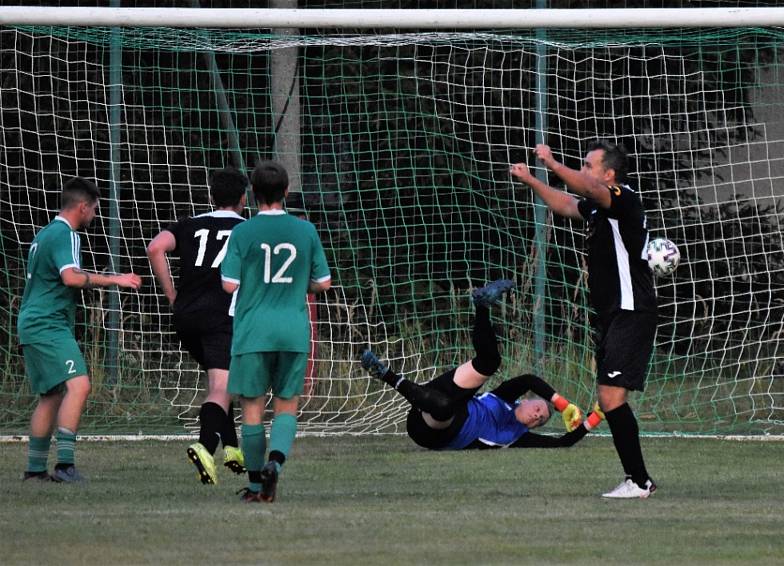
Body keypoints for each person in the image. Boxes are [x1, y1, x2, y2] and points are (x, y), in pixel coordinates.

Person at [510, 140, 658, 499]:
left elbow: (589, 187)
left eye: (590, 165)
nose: (585, 170)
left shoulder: (622, 197)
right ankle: (638, 480)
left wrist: (554, 163)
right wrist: (532, 179)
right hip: (614, 315)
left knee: (611, 397)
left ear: (609, 174)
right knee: (610, 399)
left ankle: (638, 482)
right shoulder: (597, 207)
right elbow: (564, 203)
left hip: (631, 310)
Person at [361, 280, 604, 451]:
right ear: (526, 400)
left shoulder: (516, 437)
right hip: (434, 400)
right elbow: (529, 380)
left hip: (432, 431)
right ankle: (482, 306)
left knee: (445, 407)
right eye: (539, 409)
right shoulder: (503, 398)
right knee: (490, 362)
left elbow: (563, 442)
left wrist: (596, 417)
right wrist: (561, 404)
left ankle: (386, 375)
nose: (537, 416)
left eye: (540, 420)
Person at [220, 160, 332, 503]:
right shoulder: (305, 229)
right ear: (285, 192)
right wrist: (300, 285)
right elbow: (324, 283)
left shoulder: (243, 232)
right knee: (287, 405)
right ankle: (276, 466)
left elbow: (229, 284)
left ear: (252, 194)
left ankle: (256, 486)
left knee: (251, 407)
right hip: (292, 330)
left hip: (253, 330)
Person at [18, 177, 142, 483]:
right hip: (47, 324)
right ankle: (64, 466)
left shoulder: (44, 233)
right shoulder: (66, 235)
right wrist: (116, 280)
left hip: (32, 322)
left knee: (51, 395)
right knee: (80, 385)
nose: (95, 216)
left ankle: (35, 471)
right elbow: (71, 278)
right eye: (95, 210)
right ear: (83, 206)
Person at [147, 167, 249, 485]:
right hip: (223, 316)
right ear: (244, 199)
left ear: (210, 196)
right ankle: (205, 447)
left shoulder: (190, 224)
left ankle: (232, 449)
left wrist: (173, 296)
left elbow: (155, 247)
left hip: (187, 316)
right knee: (222, 387)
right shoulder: (248, 230)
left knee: (220, 380)